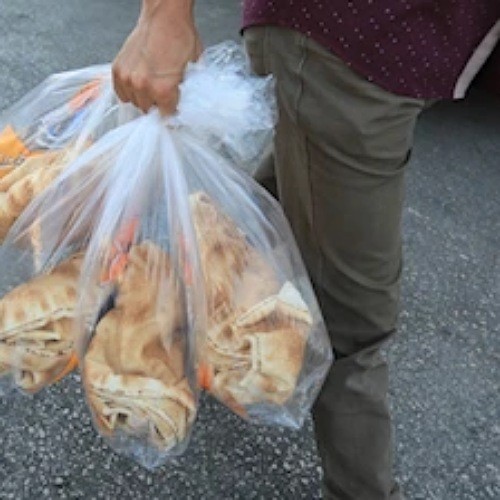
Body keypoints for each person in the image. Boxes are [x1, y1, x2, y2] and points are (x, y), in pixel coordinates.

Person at [112, 1, 500, 498]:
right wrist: (163, 16)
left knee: (283, 213)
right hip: (351, 41)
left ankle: (187, 317)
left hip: (397, 45)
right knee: (355, 325)